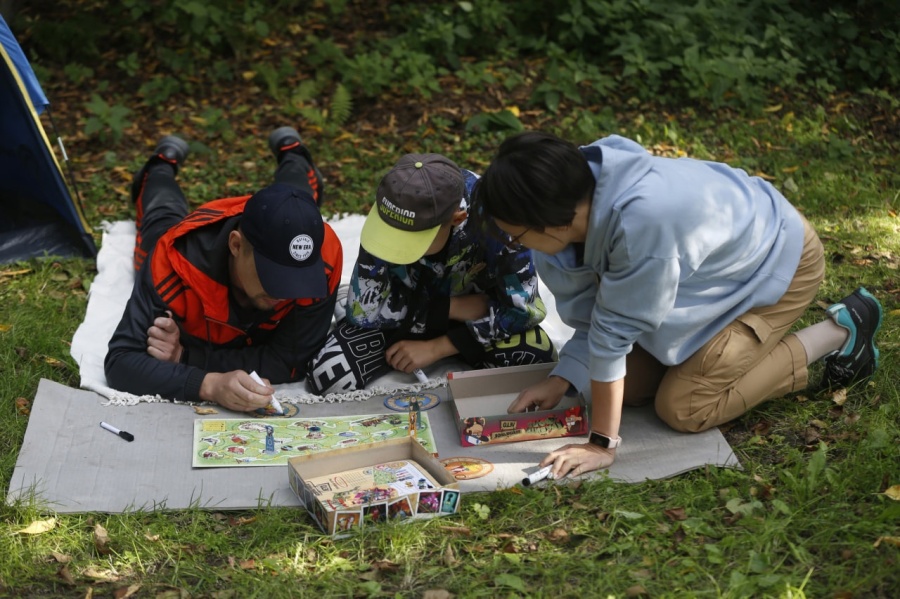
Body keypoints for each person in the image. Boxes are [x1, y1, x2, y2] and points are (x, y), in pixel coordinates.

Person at [473, 131, 883, 479]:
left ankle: (839, 333)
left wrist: (601, 445)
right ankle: (712, 354)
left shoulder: (644, 226)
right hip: (702, 279)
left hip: (776, 265)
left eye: (516, 236)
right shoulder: (565, 204)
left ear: (555, 222)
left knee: (684, 407)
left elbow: (612, 337)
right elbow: (595, 319)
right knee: (616, 388)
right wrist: (562, 378)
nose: (517, 246)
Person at [105, 128, 343, 412]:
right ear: (235, 245)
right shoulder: (174, 261)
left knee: (297, 200)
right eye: (273, 275)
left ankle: (294, 156)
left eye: (297, 277)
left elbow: (292, 362)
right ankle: (160, 167)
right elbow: (120, 362)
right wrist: (208, 385)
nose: (284, 292)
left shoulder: (321, 258)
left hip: (278, 221)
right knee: (162, 215)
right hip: (185, 237)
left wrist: (186, 357)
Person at [306, 153, 557, 394]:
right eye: (391, 235)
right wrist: (452, 307)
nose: (394, 247)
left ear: (457, 219)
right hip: (416, 311)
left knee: (536, 361)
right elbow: (363, 312)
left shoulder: (501, 221)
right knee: (328, 375)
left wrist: (439, 347)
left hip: (460, 321)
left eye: (411, 240)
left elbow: (525, 311)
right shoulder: (395, 207)